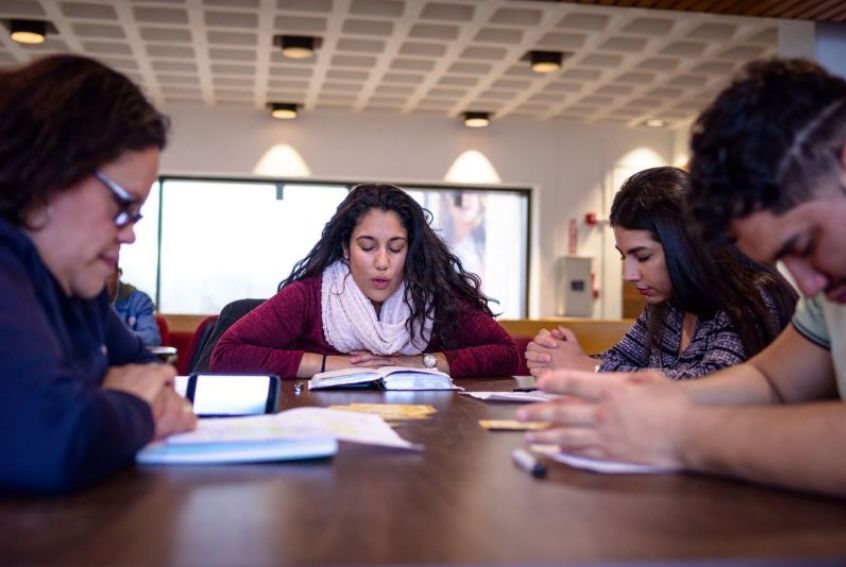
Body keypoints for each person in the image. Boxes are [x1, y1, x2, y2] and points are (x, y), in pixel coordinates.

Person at [517, 58, 846, 498]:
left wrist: (681, 430)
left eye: (804, 243)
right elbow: (770, 382)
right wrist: (659, 397)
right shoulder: (829, 290)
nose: (806, 286)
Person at [0, 55, 196, 494]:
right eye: (123, 208)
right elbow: (46, 442)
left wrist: (97, 403)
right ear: (46, 173)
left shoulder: (76, 281)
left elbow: (150, 373)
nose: (128, 236)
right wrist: (129, 405)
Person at [211, 184, 519, 379]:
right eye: (367, 247)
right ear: (345, 247)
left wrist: (416, 363)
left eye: (396, 248)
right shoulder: (311, 296)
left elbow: (505, 353)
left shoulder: (432, 297)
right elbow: (226, 355)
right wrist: (336, 365)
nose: (382, 262)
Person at [525, 167, 797, 380]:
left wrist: (589, 370)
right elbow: (620, 360)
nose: (628, 275)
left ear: (686, 246)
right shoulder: (668, 301)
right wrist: (559, 357)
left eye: (642, 256)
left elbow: (716, 384)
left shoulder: (751, 296)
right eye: (623, 257)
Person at [106, 263, 162, 347]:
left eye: (106, 275)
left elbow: (151, 338)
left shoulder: (138, 301)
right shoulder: (84, 300)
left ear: (118, 274)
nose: (100, 282)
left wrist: (117, 336)